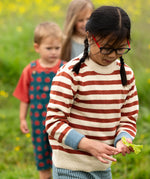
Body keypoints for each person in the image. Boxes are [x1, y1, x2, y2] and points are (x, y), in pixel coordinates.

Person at [45, 6, 139, 179]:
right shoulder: (70, 73)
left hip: (102, 168)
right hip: (70, 168)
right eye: (106, 48)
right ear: (89, 36)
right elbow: (53, 122)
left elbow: (128, 118)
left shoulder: (126, 75)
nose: (111, 55)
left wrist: (123, 139)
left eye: (119, 49)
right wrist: (86, 144)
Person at [13, 22, 65, 179]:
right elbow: (24, 97)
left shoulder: (65, 68)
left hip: (61, 122)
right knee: (42, 154)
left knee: (61, 155)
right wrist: (22, 118)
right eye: (49, 48)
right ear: (37, 47)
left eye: (57, 48)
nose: (53, 52)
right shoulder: (31, 70)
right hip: (38, 122)